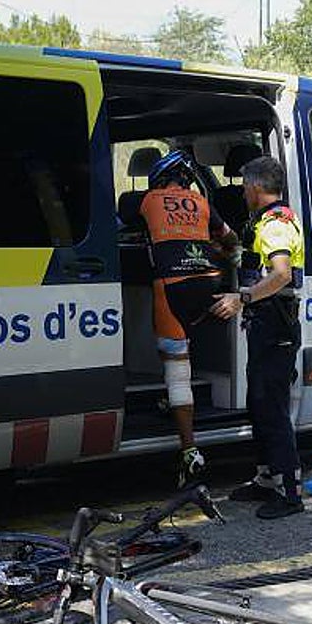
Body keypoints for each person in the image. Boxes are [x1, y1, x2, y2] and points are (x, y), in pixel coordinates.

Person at [209, 155, 305, 519]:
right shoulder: (267, 221)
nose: (243, 191)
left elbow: (280, 275)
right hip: (267, 325)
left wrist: (242, 298)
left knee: (273, 408)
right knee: (259, 403)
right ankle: (266, 478)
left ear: (255, 187)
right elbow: (257, 264)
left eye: (245, 185)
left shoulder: (276, 225)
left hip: (275, 325)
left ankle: (290, 492)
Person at [139, 148, 240, 487]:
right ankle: (174, 397)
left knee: (174, 362)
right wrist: (223, 252)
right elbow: (231, 240)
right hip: (208, 281)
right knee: (184, 351)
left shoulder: (148, 200)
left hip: (172, 285)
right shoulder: (203, 202)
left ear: (158, 180)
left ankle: (189, 450)